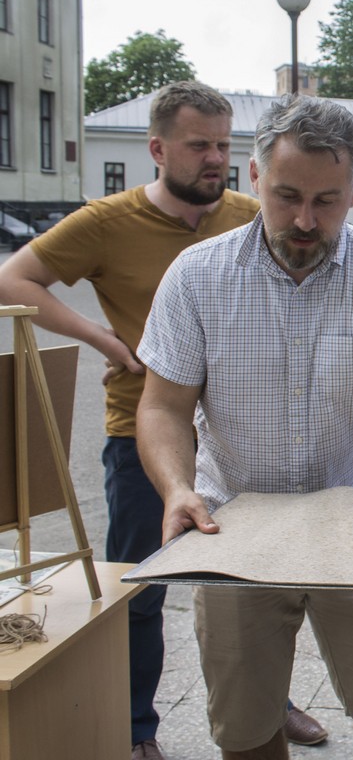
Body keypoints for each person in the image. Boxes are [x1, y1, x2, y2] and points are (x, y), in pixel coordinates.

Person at [136, 95, 353, 760]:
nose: (303, 219)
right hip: (232, 525)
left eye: (326, 201)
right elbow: (162, 406)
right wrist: (177, 487)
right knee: (245, 720)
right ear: (255, 177)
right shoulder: (198, 276)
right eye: (286, 194)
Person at [0, 80, 270, 760]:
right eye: (198, 145)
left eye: (223, 145)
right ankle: (135, 728)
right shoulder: (105, 221)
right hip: (141, 434)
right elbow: (13, 281)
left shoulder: (247, 213)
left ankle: (274, 704)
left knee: (258, 583)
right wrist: (99, 337)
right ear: (157, 148)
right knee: (143, 587)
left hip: (238, 435)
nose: (216, 158)